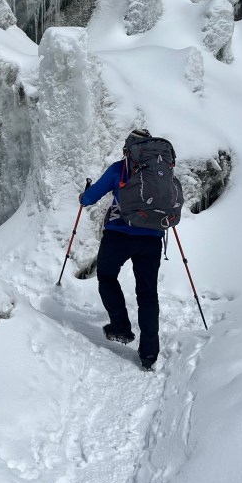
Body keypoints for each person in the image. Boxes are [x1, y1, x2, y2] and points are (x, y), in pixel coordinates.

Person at [80, 129, 165, 371]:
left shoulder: (119, 168)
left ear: (128, 149)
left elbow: (90, 198)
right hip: (152, 238)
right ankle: (149, 354)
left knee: (107, 277)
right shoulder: (161, 170)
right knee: (148, 294)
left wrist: (83, 195)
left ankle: (121, 327)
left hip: (119, 234)